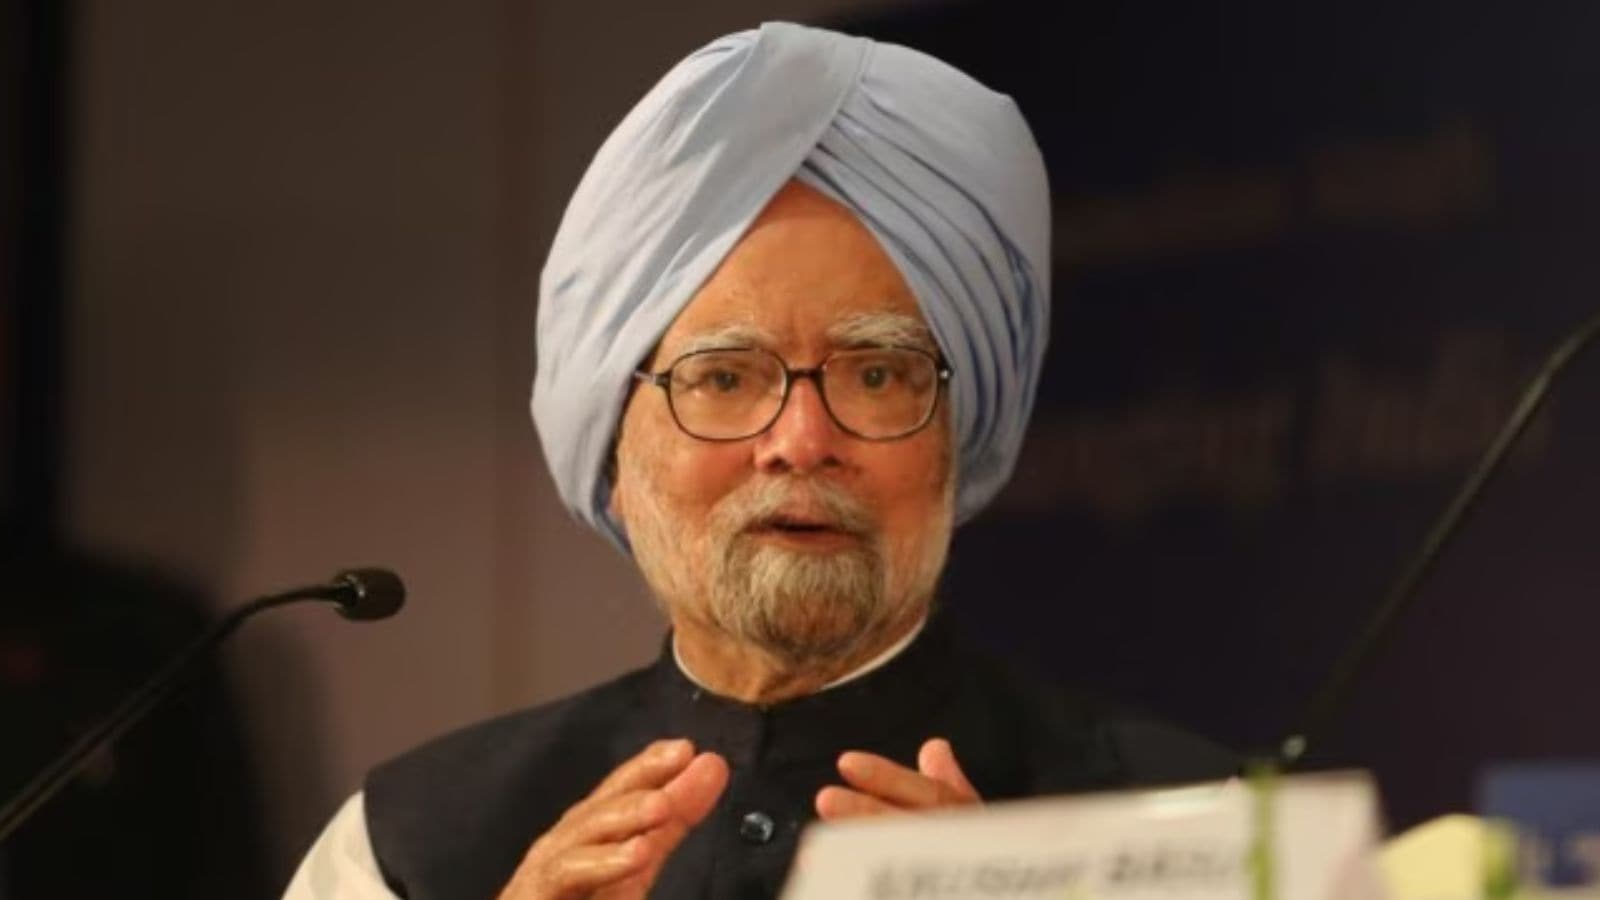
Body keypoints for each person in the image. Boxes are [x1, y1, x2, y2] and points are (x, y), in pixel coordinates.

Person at [286, 21, 1234, 900]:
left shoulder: (1200, 832)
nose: (802, 441)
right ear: (615, 443)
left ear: (958, 433)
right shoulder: (407, 850)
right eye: (725, 378)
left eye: (875, 374)